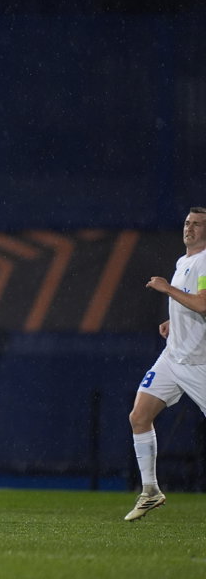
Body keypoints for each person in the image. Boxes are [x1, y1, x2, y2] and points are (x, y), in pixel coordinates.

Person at [124, 206, 206, 521]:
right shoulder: (184, 261)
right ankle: (150, 491)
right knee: (139, 416)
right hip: (173, 357)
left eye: (197, 224)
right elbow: (191, 303)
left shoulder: (204, 260)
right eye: (187, 223)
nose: (190, 228)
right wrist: (174, 320)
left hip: (197, 362)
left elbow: (203, 304)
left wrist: (166, 288)